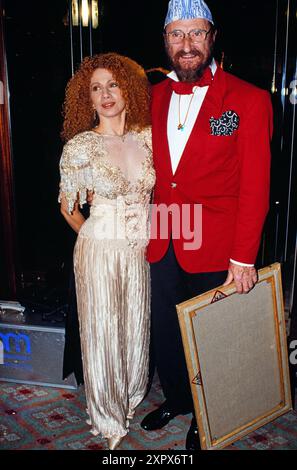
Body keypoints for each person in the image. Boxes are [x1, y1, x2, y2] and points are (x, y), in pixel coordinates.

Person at [141, 0, 273, 450]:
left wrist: (243, 257)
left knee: (212, 337)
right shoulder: (153, 96)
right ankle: (178, 399)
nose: (186, 44)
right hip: (163, 235)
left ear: (212, 36)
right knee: (167, 331)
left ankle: (208, 414)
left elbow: (255, 185)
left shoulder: (248, 99)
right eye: (177, 35)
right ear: (165, 41)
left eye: (196, 33)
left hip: (217, 242)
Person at [58, 52, 155, 450]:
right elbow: (68, 208)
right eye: (96, 88)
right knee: (103, 332)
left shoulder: (148, 138)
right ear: (88, 98)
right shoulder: (82, 146)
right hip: (99, 249)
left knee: (135, 326)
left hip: (140, 250)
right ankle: (107, 415)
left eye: (112, 84)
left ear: (128, 87)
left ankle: (130, 397)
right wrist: (96, 234)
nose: (105, 94)